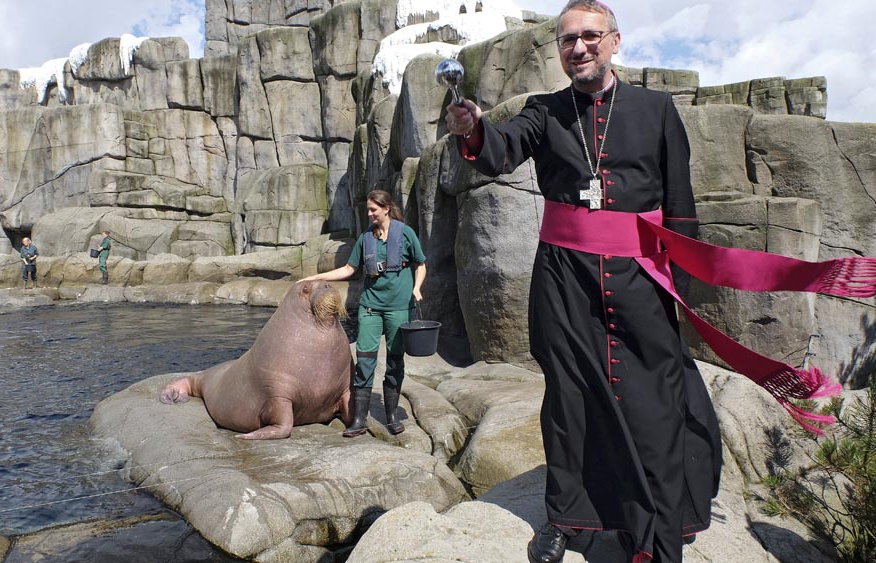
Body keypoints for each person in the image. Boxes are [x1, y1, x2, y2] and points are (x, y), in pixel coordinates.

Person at [446, 2, 722, 562]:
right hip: (564, 279)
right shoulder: (544, 111)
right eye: (568, 39)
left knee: (652, 401)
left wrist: (681, 288)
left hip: (640, 278)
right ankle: (566, 519)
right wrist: (473, 129)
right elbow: (500, 151)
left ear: (615, 41)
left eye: (591, 36)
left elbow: (681, 206)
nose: (579, 47)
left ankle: (657, 527)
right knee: (567, 400)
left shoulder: (656, 108)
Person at [301, 189, 427, 437]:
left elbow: (420, 264)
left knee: (394, 359)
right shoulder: (366, 238)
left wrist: (417, 288)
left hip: (399, 308)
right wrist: (316, 277)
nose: (369, 214)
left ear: (386, 209)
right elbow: (349, 268)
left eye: (373, 210)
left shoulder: (406, 234)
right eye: (368, 210)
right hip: (370, 307)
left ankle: (391, 416)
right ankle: (359, 419)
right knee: (365, 358)